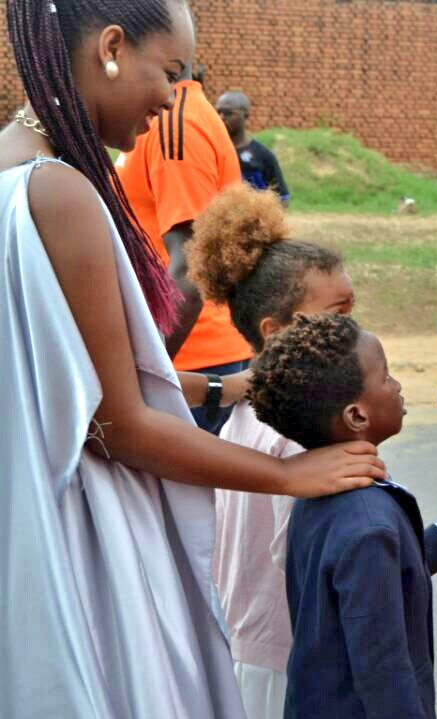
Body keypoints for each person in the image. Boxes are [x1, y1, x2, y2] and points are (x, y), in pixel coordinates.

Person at [0, 2, 385, 716]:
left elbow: (52, 380)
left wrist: (214, 390)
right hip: (79, 536)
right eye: (169, 71)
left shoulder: (10, 163)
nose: (171, 99)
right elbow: (115, 426)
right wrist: (287, 475)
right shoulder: (59, 190)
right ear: (112, 47)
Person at [247, 313, 437, 719]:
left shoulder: (317, 493)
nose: (397, 386)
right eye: (386, 376)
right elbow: (384, 671)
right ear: (357, 416)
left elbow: (375, 580)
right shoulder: (368, 523)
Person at [188, 182, 356, 719]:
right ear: (277, 330)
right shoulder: (300, 432)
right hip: (291, 659)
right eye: (338, 314)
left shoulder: (246, 411)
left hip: (246, 644)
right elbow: (323, 562)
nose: (354, 331)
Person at [117, 65, 252, 434]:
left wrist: (149, 372)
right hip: (185, 353)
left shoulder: (175, 125)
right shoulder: (169, 117)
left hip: (190, 356)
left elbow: (190, 262)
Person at [216, 90, 291, 205]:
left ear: (246, 115)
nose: (221, 117)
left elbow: (282, 199)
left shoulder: (263, 156)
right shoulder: (213, 152)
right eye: (218, 112)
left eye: (228, 113)